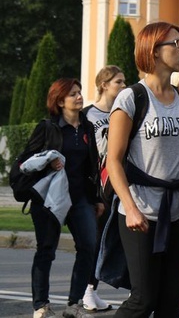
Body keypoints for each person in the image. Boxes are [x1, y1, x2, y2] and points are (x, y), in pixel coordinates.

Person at [106, 22, 179, 317]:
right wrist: (130, 208)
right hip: (141, 214)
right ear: (155, 51)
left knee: (171, 302)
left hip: (177, 215)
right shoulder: (132, 98)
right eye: (176, 43)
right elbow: (114, 160)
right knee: (143, 299)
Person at [23, 78, 105, 318]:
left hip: (81, 200)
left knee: (89, 246)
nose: (79, 97)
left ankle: (73, 304)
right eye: (73, 94)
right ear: (60, 101)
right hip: (50, 200)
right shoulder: (47, 127)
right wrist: (49, 160)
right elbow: (26, 161)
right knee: (46, 250)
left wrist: (97, 199)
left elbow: (93, 166)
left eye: (80, 92)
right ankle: (41, 305)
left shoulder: (87, 127)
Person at [82, 64, 126, 312]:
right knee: (97, 240)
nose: (123, 85)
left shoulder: (123, 112)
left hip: (118, 183)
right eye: (118, 81)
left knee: (119, 239)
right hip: (99, 187)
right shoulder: (89, 115)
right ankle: (88, 290)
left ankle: (94, 290)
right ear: (104, 85)